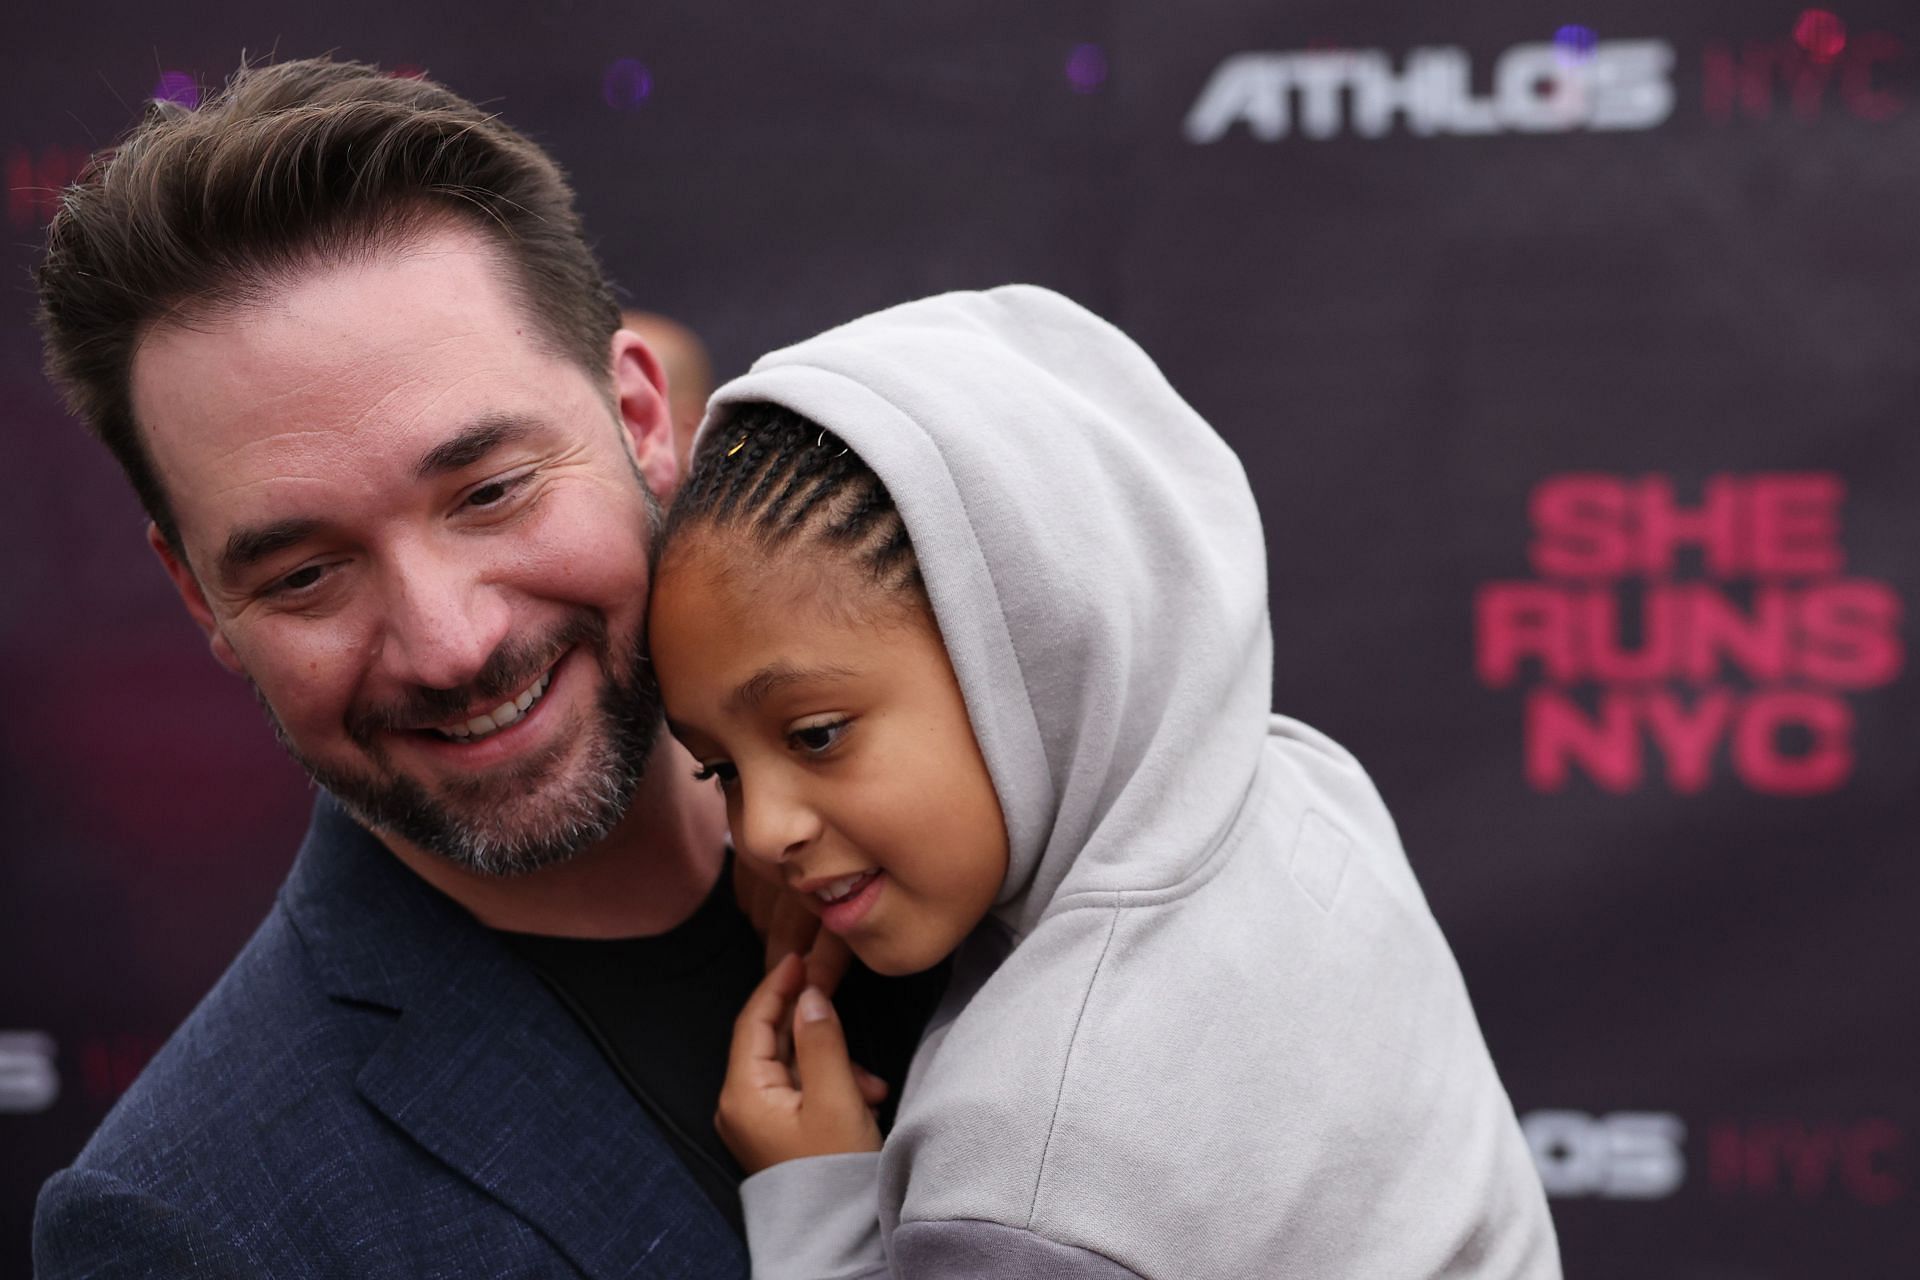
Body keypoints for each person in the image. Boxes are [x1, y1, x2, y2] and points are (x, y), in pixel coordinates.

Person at [31, 58, 938, 1277]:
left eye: (491, 491)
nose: (450, 644)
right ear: (199, 593)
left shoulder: (1030, 829)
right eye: (305, 572)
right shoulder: (188, 1223)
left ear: (641, 417)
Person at [646, 285, 1563, 1278]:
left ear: (1035, 651)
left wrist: (818, 1203)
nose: (761, 828)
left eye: (818, 733)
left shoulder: (1032, 1172)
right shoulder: (1302, 782)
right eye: (721, 770)